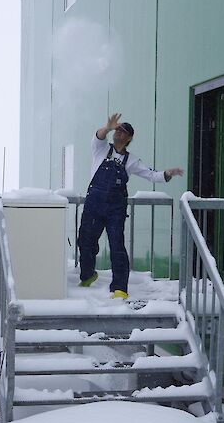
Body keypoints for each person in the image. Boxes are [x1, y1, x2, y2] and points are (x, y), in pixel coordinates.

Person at [77, 113, 183, 299]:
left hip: (115, 209)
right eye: (117, 129)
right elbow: (98, 136)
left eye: (122, 131)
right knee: (85, 241)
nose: (118, 132)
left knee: (116, 245)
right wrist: (107, 127)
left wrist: (167, 173)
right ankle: (87, 275)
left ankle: (120, 288)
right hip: (93, 204)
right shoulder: (100, 149)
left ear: (129, 138)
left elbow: (152, 175)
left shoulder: (132, 160)